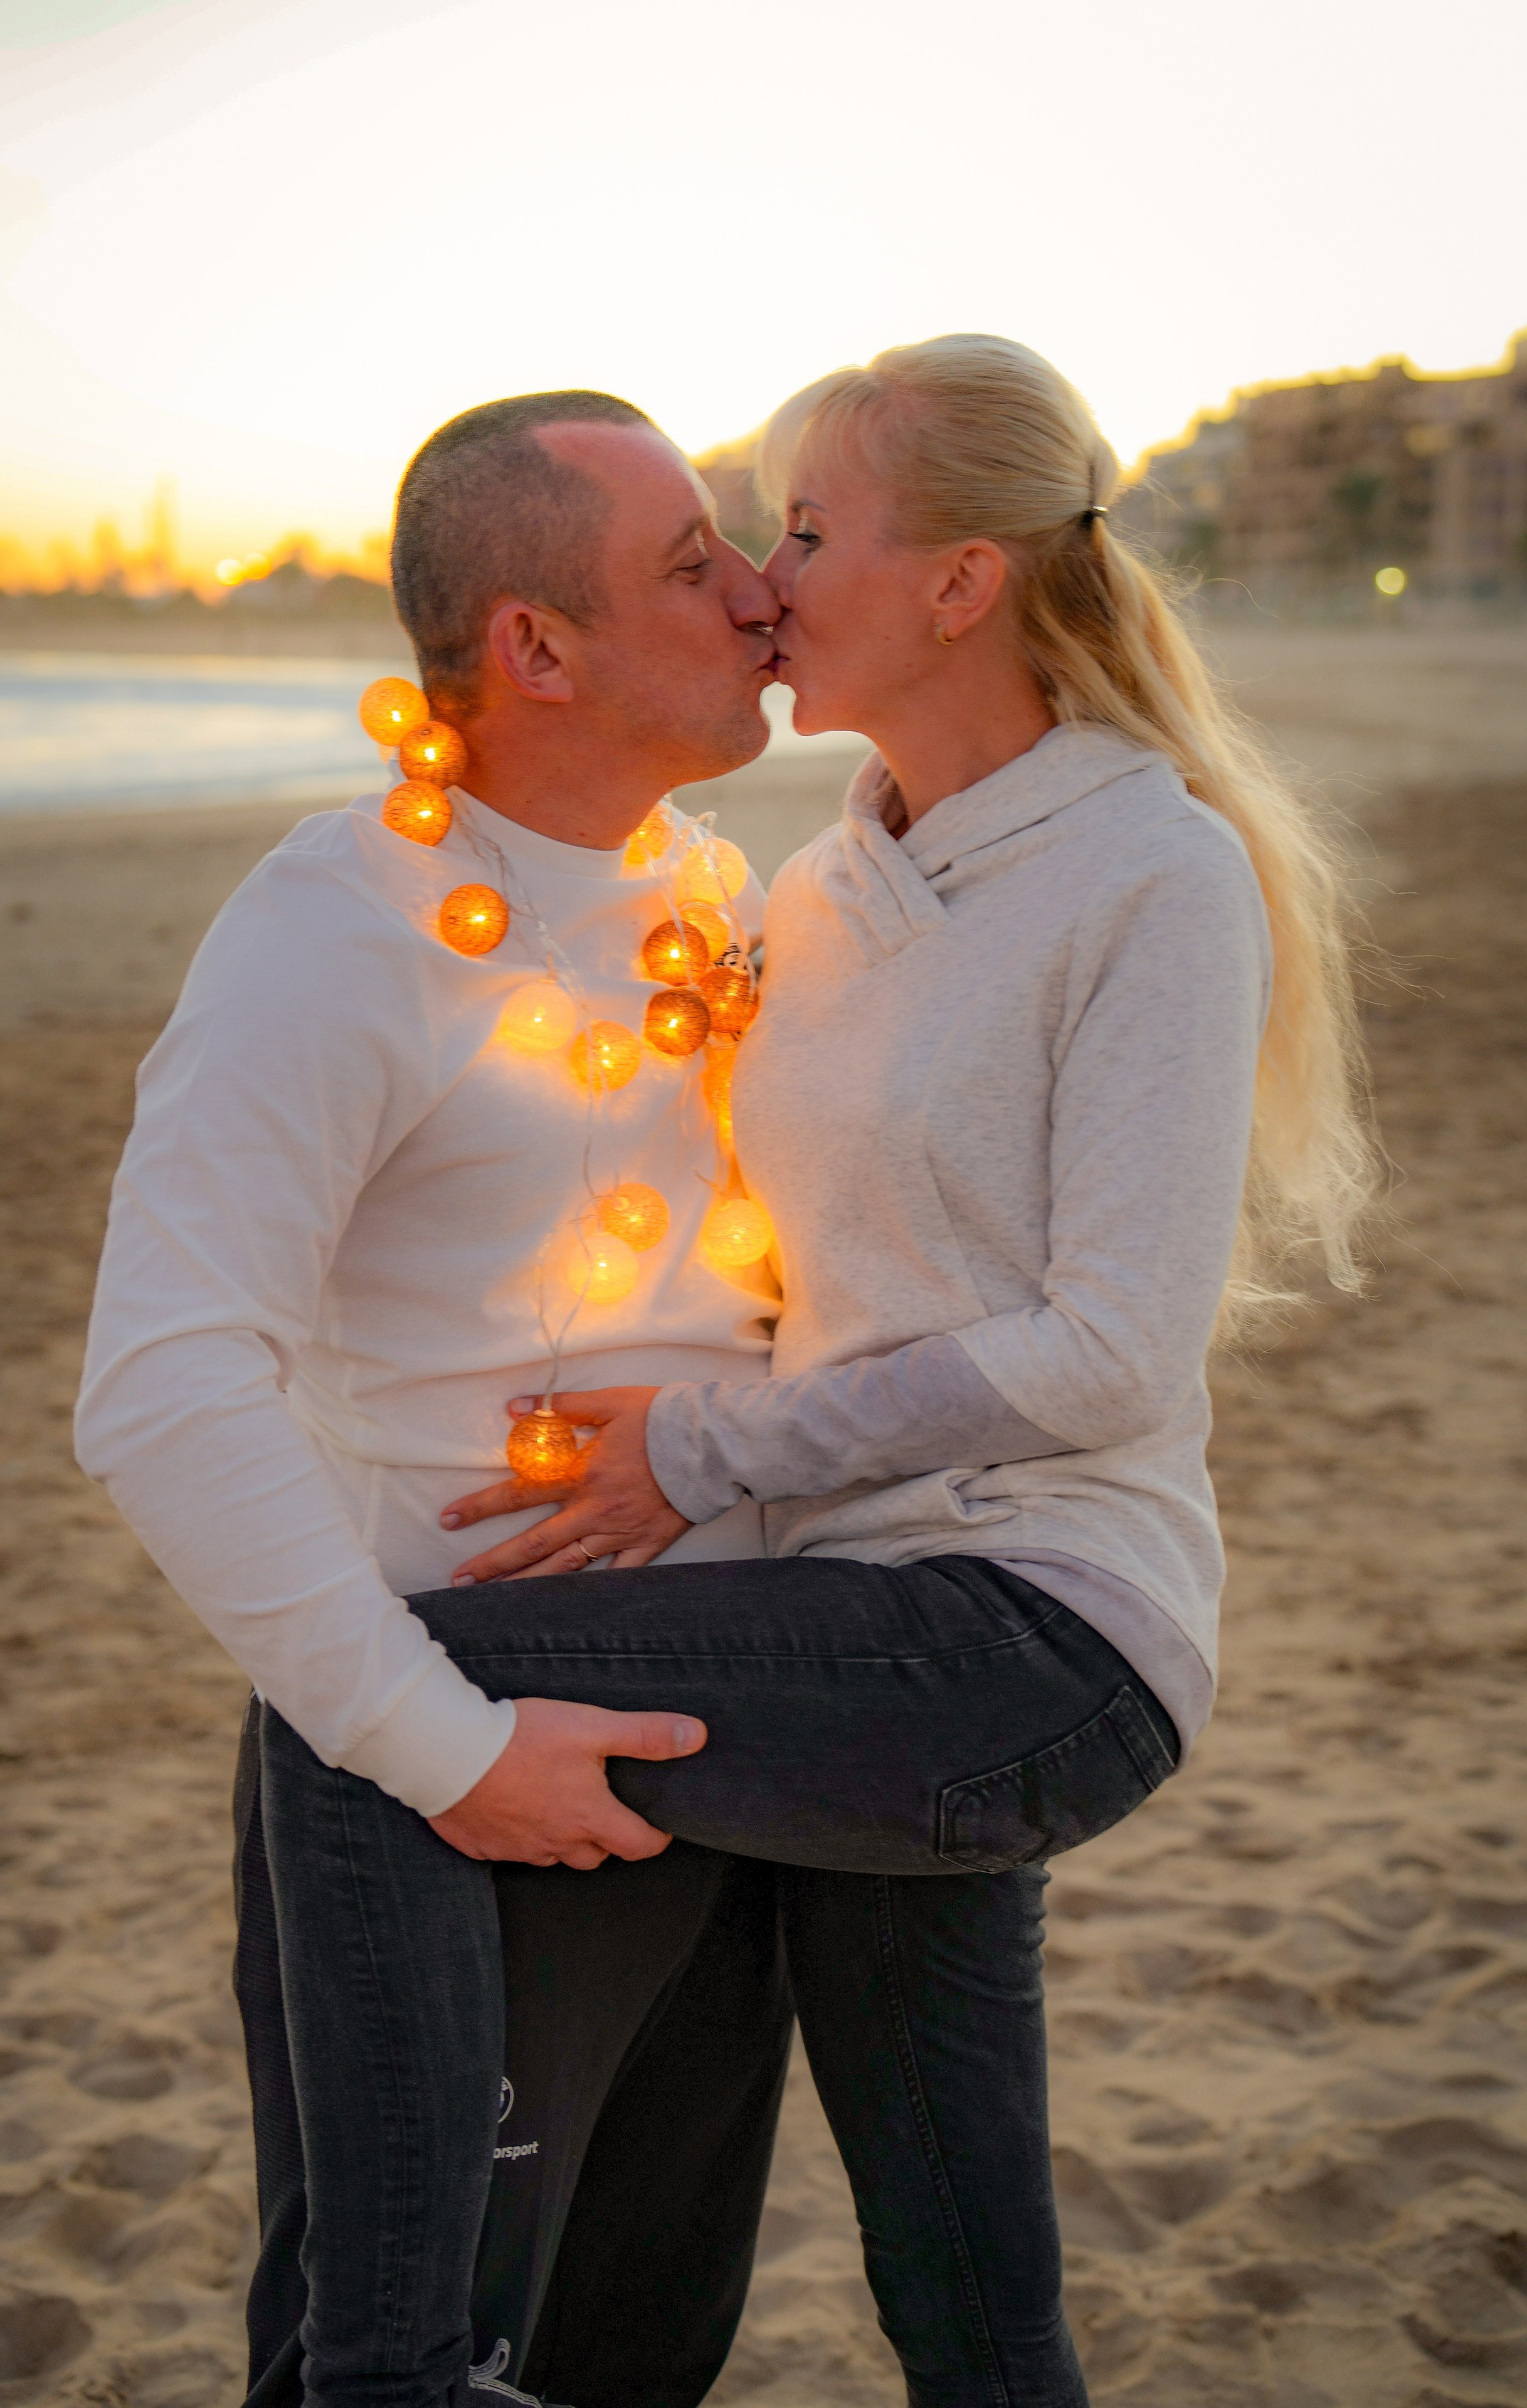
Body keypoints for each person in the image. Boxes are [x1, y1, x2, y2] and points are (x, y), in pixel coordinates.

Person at [290, 334, 1378, 2407]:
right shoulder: (810, 887)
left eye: (802, 533)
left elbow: (1110, 1349)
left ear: (961, 583)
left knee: (383, 1688)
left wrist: (701, 1453)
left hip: (1028, 1630)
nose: (767, 582)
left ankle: (380, 2380)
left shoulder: (1153, 874)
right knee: (970, 2293)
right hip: (833, 1622)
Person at [75, 392, 802, 2407]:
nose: (756, 597)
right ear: (535, 647)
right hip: (441, 1771)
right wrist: (439, 1746)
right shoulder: (342, 925)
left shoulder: (727, 898)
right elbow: (159, 1382)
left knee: (648, 2337)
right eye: (690, 564)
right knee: (394, 2353)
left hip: (729, 1736)